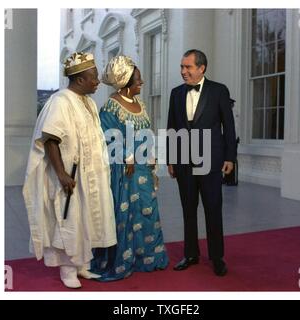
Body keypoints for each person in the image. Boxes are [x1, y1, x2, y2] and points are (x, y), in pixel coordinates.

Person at [22, 52, 117, 288]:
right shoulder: (60, 101)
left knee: (87, 218)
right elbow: (51, 138)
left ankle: (82, 265)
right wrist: (62, 173)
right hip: (71, 174)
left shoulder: (89, 102)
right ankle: (67, 270)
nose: (97, 81)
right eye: (93, 77)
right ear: (79, 79)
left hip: (90, 174)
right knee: (70, 219)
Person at [90, 55, 169, 281]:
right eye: (137, 80)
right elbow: (105, 136)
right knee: (124, 215)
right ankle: (122, 259)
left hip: (144, 169)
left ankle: (149, 257)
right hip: (125, 170)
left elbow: (147, 133)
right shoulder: (110, 107)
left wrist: (151, 153)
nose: (141, 83)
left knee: (148, 210)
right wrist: (127, 155)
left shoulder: (140, 105)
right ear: (125, 82)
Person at [167, 49, 236, 276]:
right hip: (184, 162)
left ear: (201, 68)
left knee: (212, 209)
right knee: (188, 209)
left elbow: (229, 126)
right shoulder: (176, 93)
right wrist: (171, 159)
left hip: (211, 160)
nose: (183, 71)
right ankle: (190, 254)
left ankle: (217, 257)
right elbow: (172, 128)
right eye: (182, 67)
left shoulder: (219, 91)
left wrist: (230, 157)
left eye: (188, 67)